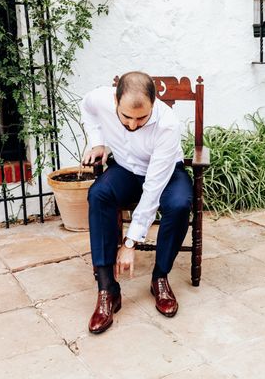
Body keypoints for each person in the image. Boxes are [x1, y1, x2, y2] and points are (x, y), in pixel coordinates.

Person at [80, 71, 193, 334]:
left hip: (164, 172)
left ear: (154, 103)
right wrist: (97, 142)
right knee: (98, 194)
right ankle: (108, 290)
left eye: (141, 118)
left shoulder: (167, 124)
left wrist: (131, 241)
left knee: (179, 203)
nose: (132, 125)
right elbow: (85, 106)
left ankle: (160, 277)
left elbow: (153, 187)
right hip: (126, 169)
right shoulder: (100, 99)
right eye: (126, 117)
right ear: (115, 100)